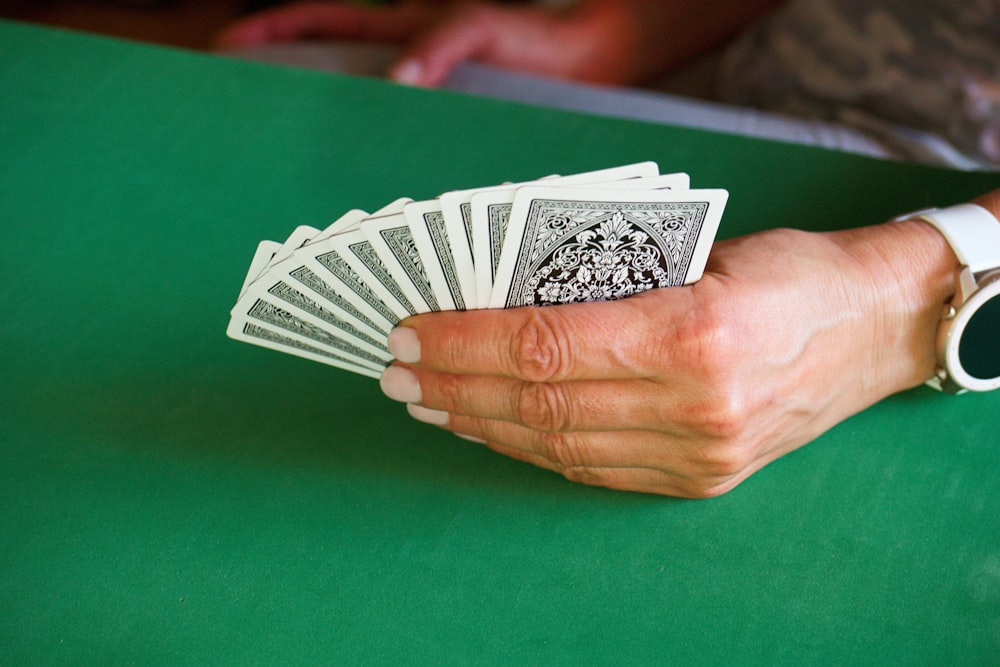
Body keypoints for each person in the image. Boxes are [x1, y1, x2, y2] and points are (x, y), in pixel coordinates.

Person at [217, 1, 1000, 497]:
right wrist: (618, 35)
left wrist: (896, 298)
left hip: (940, 157)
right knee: (280, 81)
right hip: (769, 49)